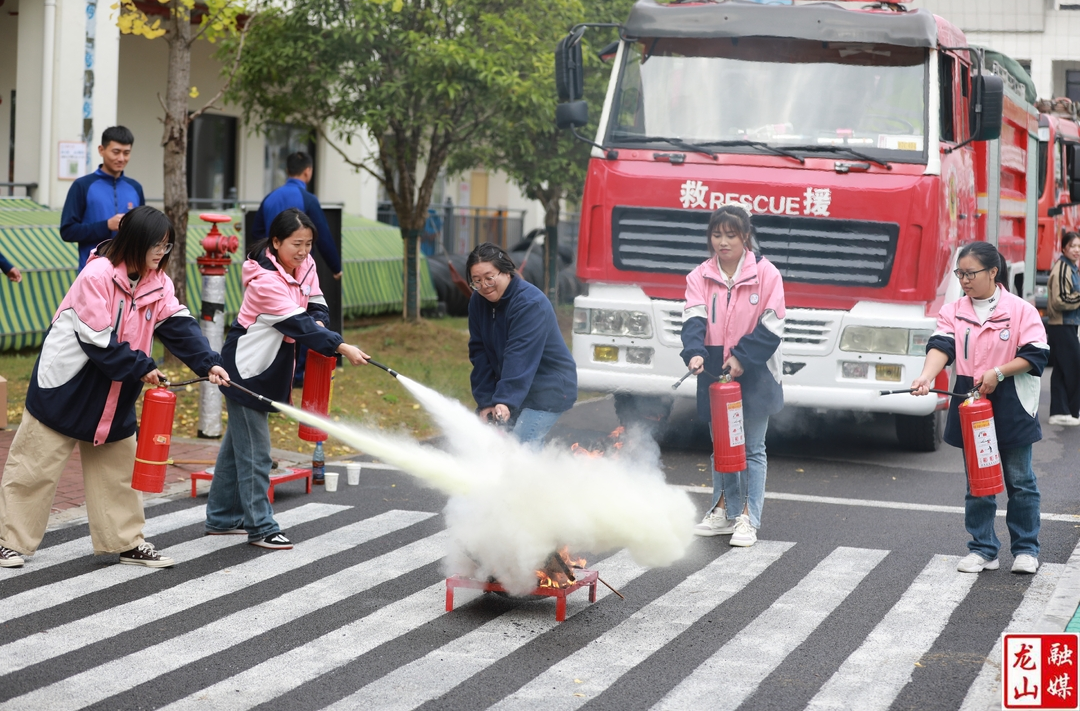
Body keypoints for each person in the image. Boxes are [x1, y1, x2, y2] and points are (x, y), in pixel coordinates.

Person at [0, 206, 229, 569]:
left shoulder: (158, 282)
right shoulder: (96, 276)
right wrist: (144, 368)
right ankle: (8, 542)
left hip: (117, 391)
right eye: (156, 245)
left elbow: (179, 326)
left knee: (120, 472)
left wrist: (209, 362)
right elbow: (97, 340)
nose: (161, 253)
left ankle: (126, 542)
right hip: (66, 386)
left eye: (167, 246)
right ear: (134, 241)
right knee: (33, 469)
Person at [207, 208, 369, 548]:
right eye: (297, 244)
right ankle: (261, 526)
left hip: (272, 365)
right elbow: (299, 325)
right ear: (276, 242)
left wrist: (322, 321)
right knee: (256, 452)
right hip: (246, 369)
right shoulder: (264, 281)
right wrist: (341, 346)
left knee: (238, 447)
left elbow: (315, 302)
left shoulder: (304, 264)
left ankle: (222, 518)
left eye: (309, 244)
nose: (304, 251)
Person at [911, 242, 1048, 574]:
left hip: (1011, 397)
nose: (964, 280)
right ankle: (983, 548)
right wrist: (926, 377)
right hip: (972, 399)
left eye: (970, 273)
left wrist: (998, 372)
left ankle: (1026, 549)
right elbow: (942, 345)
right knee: (978, 478)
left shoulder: (1020, 310)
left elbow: (1036, 354)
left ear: (993, 272)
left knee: (1020, 478)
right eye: (960, 274)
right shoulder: (955, 310)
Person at [681, 204, 785, 548]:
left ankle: (747, 518)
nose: (722, 242)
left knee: (752, 448)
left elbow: (772, 326)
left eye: (730, 235)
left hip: (756, 370)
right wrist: (694, 352)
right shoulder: (699, 275)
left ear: (745, 237)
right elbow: (693, 320)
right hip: (713, 370)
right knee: (721, 448)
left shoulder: (767, 274)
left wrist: (742, 357)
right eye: (716, 234)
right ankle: (723, 512)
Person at [466, 242, 577, 446]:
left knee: (522, 444)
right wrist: (486, 401)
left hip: (549, 388)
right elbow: (479, 352)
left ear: (506, 271)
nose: (484, 286)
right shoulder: (478, 301)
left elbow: (520, 355)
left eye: (489, 278)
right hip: (517, 389)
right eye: (477, 281)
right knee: (496, 445)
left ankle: (535, 477)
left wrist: (505, 400)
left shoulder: (529, 304)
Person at [252, 151, 343, 389]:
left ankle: (273, 374)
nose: (303, 248)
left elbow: (256, 233)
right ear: (308, 171)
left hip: (269, 270)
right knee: (301, 319)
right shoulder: (308, 199)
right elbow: (321, 235)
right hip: (294, 275)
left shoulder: (269, 198)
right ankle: (299, 375)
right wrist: (335, 267)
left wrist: (260, 263)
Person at [60, 126, 145, 271]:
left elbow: (144, 232)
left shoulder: (135, 188)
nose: (121, 158)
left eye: (126, 153)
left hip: (128, 274)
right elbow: (67, 231)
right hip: (92, 274)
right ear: (101, 150)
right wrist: (106, 226)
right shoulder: (82, 186)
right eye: (116, 152)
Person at [1045, 231, 1080, 426]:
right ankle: (1066, 411)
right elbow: (1060, 301)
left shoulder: (1071, 267)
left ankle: (1061, 411)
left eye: (1079, 247)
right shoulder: (1062, 269)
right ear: (1064, 247)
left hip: (1068, 324)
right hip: (1061, 325)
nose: (1077, 250)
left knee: (1062, 368)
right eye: (1073, 246)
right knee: (1073, 367)